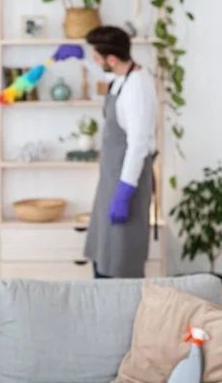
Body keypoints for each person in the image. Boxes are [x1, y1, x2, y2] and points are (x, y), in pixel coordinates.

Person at [54, 26, 157, 278]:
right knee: (104, 253)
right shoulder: (124, 76)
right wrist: (79, 57)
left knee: (121, 260)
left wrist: (124, 193)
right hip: (112, 180)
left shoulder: (137, 90)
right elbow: (105, 74)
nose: (95, 62)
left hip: (127, 184)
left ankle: (121, 313)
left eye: (96, 57)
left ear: (112, 59)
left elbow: (138, 146)